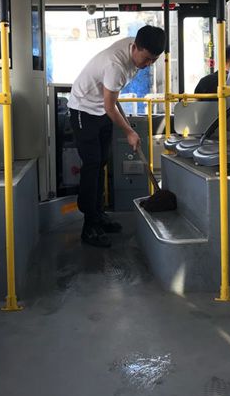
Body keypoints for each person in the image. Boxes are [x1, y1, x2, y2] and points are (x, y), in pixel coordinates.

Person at [69, 25, 166, 248]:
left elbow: (111, 102)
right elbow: (110, 106)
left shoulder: (136, 46)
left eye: (154, 60)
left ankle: (99, 214)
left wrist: (128, 127)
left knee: (102, 161)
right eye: (147, 58)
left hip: (101, 108)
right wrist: (129, 131)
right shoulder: (116, 65)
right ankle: (89, 226)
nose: (148, 64)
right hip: (83, 108)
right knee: (92, 164)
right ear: (136, 47)